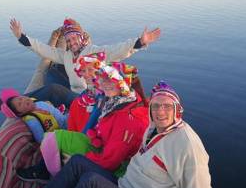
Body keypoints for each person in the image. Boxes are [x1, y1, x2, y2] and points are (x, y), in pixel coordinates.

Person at [0, 80, 213, 188]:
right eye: (156, 106)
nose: (160, 112)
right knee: (78, 163)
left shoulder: (187, 144)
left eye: (167, 106)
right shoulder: (154, 127)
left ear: (178, 109)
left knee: (91, 183)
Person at [0, 18, 160, 109]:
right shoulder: (67, 55)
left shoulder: (94, 52)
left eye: (74, 38)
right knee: (51, 72)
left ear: (82, 37)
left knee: (54, 88)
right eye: (68, 40)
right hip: (74, 90)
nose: (71, 42)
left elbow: (118, 50)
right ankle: (46, 100)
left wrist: (140, 42)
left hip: (88, 99)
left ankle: (14, 102)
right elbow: (44, 50)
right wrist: (21, 37)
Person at [17, 61, 148, 181]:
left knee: (51, 137)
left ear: (123, 84)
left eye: (91, 71)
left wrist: (78, 159)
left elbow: (111, 160)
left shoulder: (126, 118)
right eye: (103, 80)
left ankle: (51, 177)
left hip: (106, 160)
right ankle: (49, 174)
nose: (104, 84)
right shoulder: (113, 101)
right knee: (51, 136)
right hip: (98, 144)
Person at [0, 88, 67, 143]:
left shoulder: (37, 104)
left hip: (65, 120)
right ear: (20, 113)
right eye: (20, 104)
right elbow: (40, 139)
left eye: (20, 98)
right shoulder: (32, 120)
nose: (23, 101)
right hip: (62, 131)